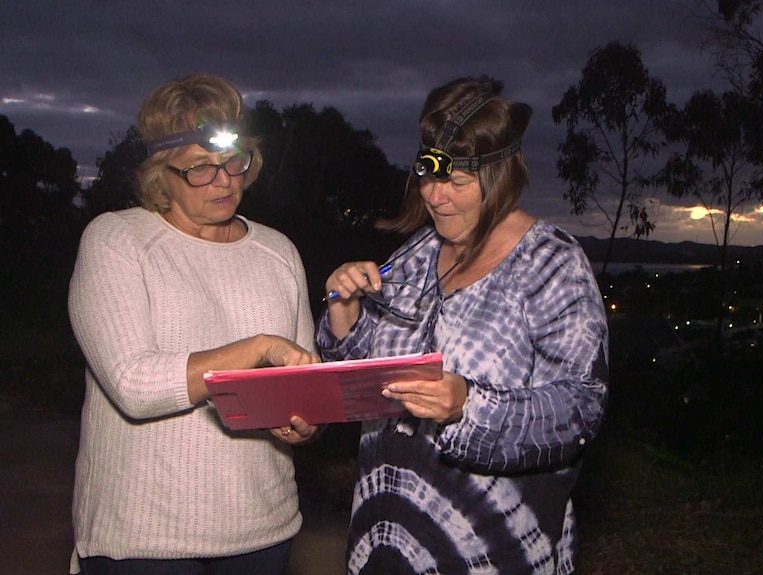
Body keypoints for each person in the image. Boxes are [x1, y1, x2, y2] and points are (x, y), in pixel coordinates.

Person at [317, 76, 610, 574]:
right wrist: (343, 311)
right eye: (428, 176)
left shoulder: (551, 264)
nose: (436, 196)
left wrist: (467, 407)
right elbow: (359, 377)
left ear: (500, 173)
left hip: (495, 553)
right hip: (387, 543)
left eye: (456, 181)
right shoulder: (413, 255)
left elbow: (580, 407)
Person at [67, 73, 320, 575]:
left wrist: (302, 424)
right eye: (200, 169)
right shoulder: (117, 241)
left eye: (234, 162)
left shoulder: (278, 252)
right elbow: (133, 385)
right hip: (143, 539)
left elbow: (300, 385)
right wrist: (256, 348)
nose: (224, 180)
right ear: (161, 174)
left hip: (261, 529)